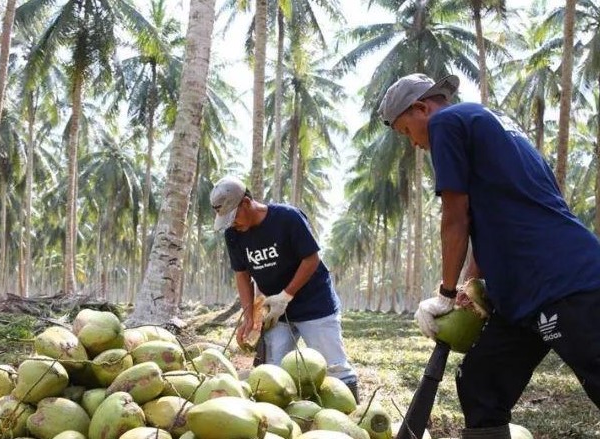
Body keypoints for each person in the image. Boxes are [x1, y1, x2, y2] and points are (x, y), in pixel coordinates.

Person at [378, 73, 600, 438]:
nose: (414, 143)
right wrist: (470, 284)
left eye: (406, 131)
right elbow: (487, 217)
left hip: (562, 280)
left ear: (421, 109)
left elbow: (456, 216)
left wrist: (445, 294)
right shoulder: (489, 124)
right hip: (519, 295)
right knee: (481, 383)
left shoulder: (446, 123)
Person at [210, 176, 360, 402]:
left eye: (234, 217)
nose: (233, 224)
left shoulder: (287, 218)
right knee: (273, 371)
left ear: (247, 202)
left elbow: (311, 259)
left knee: (335, 368)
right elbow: (242, 275)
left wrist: (286, 296)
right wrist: (249, 317)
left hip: (314, 304)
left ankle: (352, 420)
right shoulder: (233, 235)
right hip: (276, 313)